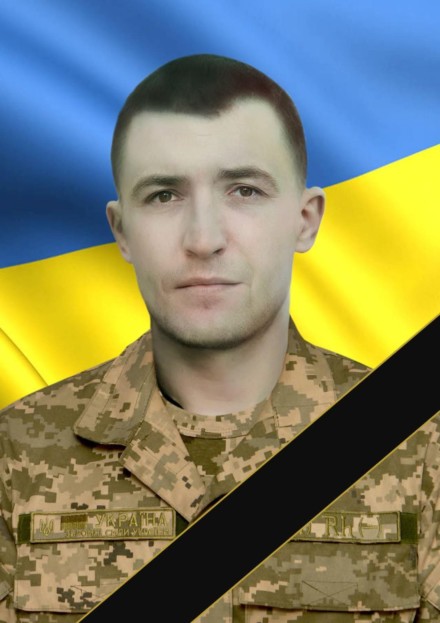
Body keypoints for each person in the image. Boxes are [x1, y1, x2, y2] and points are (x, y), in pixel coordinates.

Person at [0, 54, 439, 623]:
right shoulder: (14, 454)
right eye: (164, 195)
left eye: (244, 191)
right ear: (121, 231)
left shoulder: (422, 450)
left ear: (305, 220)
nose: (204, 239)